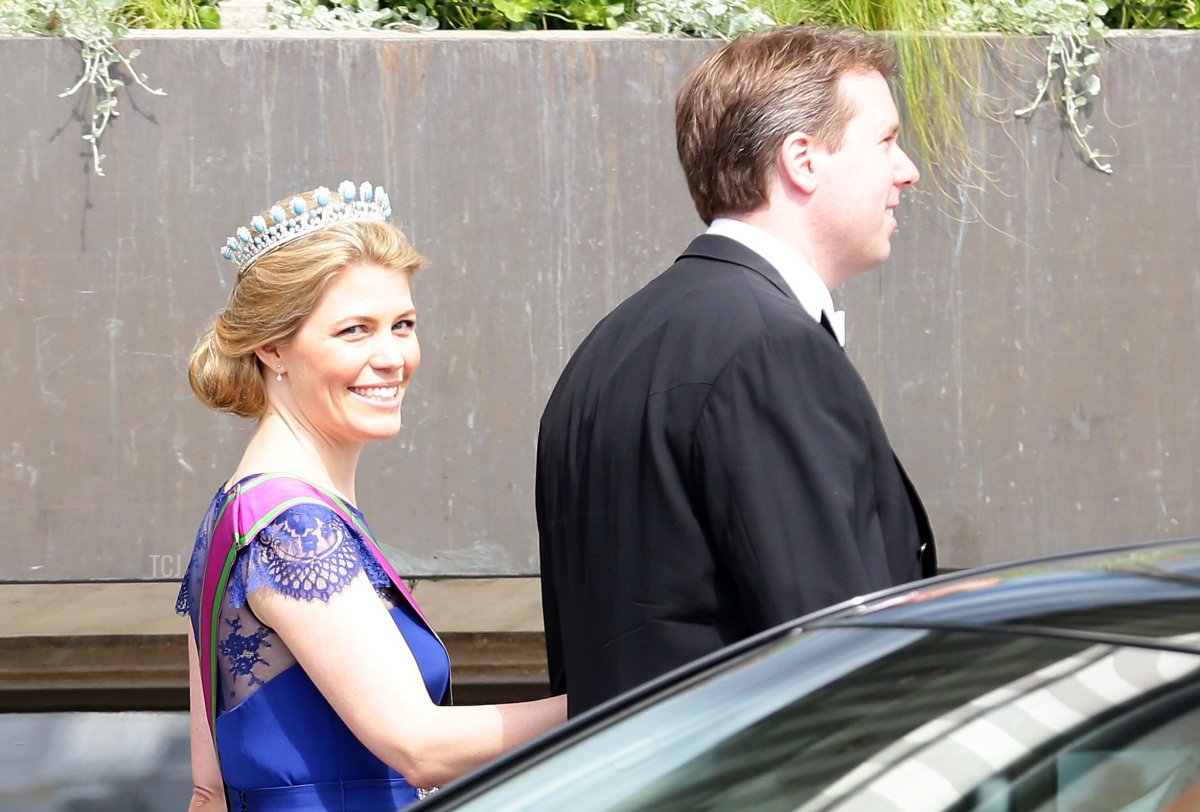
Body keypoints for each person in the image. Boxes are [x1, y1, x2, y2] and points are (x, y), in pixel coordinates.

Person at [536, 27, 938, 717]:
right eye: (885, 142)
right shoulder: (770, 349)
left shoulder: (606, 350)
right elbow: (838, 655)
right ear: (802, 160)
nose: (908, 170)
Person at [177, 180, 566, 811]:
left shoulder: (237, 512)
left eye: (402, 325)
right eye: (355, 330)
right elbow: (421, 745)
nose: (392, 356)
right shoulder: (294, 528)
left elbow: (207, 787)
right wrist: (625, 696)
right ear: (272, 347)